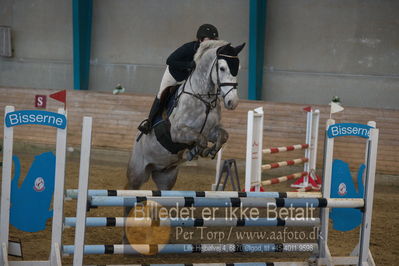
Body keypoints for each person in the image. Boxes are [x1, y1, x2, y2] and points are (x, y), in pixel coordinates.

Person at [138, 24, 219, 134]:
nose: (212, 42)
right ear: (200, 39)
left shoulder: (209, 53)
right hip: (173, 74)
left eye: (214, 40)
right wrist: (188, 65)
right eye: (210, 39)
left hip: (188, 78)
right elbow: (169, 60)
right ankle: (149, 122)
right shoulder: (189, 47)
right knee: (161, 94)